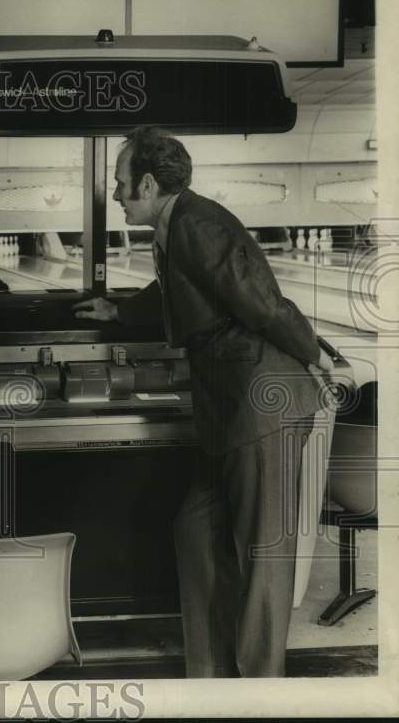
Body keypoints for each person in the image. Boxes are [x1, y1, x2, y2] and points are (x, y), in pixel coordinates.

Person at [73, 126, 334, 678]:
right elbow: (181, 290)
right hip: (228, 407)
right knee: (194, 530)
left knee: (263, 557)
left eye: (121, 184)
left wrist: (316, 353)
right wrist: (119, 313)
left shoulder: (198, 224)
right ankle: (211, 675)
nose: (116, 194)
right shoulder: (174, 227)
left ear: (146, 183)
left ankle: (260, 691)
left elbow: (261, 303)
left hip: (263, 404)